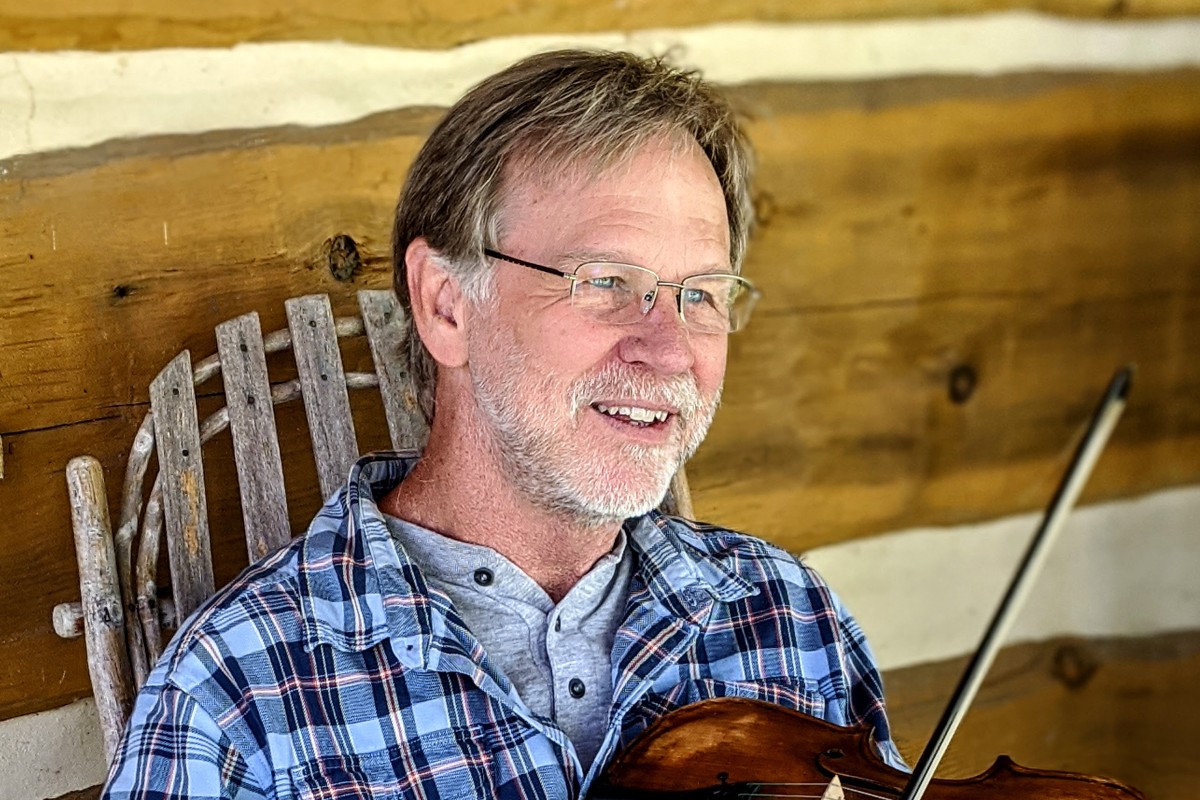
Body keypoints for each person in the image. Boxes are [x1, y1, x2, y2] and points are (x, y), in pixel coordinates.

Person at [102, 49, 904, 799]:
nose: (668, 350)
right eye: (607, 281)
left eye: (701, 294)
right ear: (446, 305)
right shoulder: (236, 697)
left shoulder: (785, 617)